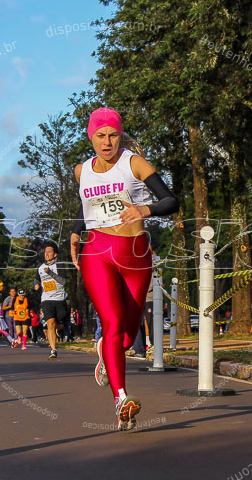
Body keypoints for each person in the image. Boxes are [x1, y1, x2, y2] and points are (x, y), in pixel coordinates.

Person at [69, 107, 179, 431]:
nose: (107, 142)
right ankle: (121, 397)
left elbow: (171, 201)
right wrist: (76, 230)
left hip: (136, 253)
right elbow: (87, 203)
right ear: (91, 137)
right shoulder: (81, 171)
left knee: (129, 336)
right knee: (113, 321)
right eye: (100, 135)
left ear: (120, 135)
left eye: (113, 135)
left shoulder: (134, 163)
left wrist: (144, 208)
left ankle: (107, 348)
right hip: (98, 251)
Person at [34, 243, 69, 360]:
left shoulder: (59, 265)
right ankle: (53, 349)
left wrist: (50, 273)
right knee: (50, 322)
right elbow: (36, 280)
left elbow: (63, 281)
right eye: (45, 252)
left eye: (49, 252)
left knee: (59, 323)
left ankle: (60, 328)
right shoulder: (40, 268)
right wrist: (36, 285)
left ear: (55, 254)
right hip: (46, 299)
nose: (46, 254)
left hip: (59, 299)